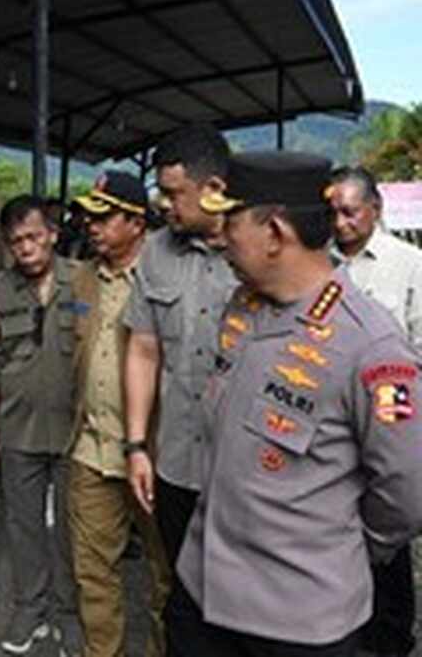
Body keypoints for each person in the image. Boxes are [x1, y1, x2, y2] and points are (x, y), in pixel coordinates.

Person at [170, 151, 422, 657]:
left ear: (275, 232)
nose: (219, 235)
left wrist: (343, 548)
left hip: (297, 622)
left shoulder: (369, 345)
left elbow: (406, 490)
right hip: (202, 595)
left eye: (231, 220)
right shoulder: (242, 306)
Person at [121, 124, 236, 655]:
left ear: (213, 187)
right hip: (177, 466)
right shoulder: (156, 253)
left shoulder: (261, 247)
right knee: (184, 598)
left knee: (242, 607)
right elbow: (143, 350)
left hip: (244, 474)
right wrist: (137, 444)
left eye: (172, 194)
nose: (161, 205)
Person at [66, 173, 171, 657]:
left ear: (135, 221)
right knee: (93, 574)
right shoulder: (84, 275)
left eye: (103, 216)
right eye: (88, 215)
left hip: (156, 455)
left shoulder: (168, 275)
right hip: (92, 449)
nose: (91, 225)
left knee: (165, 575)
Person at [0, 197, 83, 656]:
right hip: (18, 429)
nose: (26, 248)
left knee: (73, 529)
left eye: (34, 236)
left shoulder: (84, 282)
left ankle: (68, 614)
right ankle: (29, 609)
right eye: (16, 240)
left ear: (53, 235)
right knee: (23, 526)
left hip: (77, 429)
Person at [327, 165, 422, 657]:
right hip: (331, 430)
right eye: (333, 212)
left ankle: (391, 636)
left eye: (350, 212)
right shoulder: (320, 264)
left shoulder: (408, 264)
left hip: (388, 424)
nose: (340, 223)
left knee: (388, 534)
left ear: (376, 210)